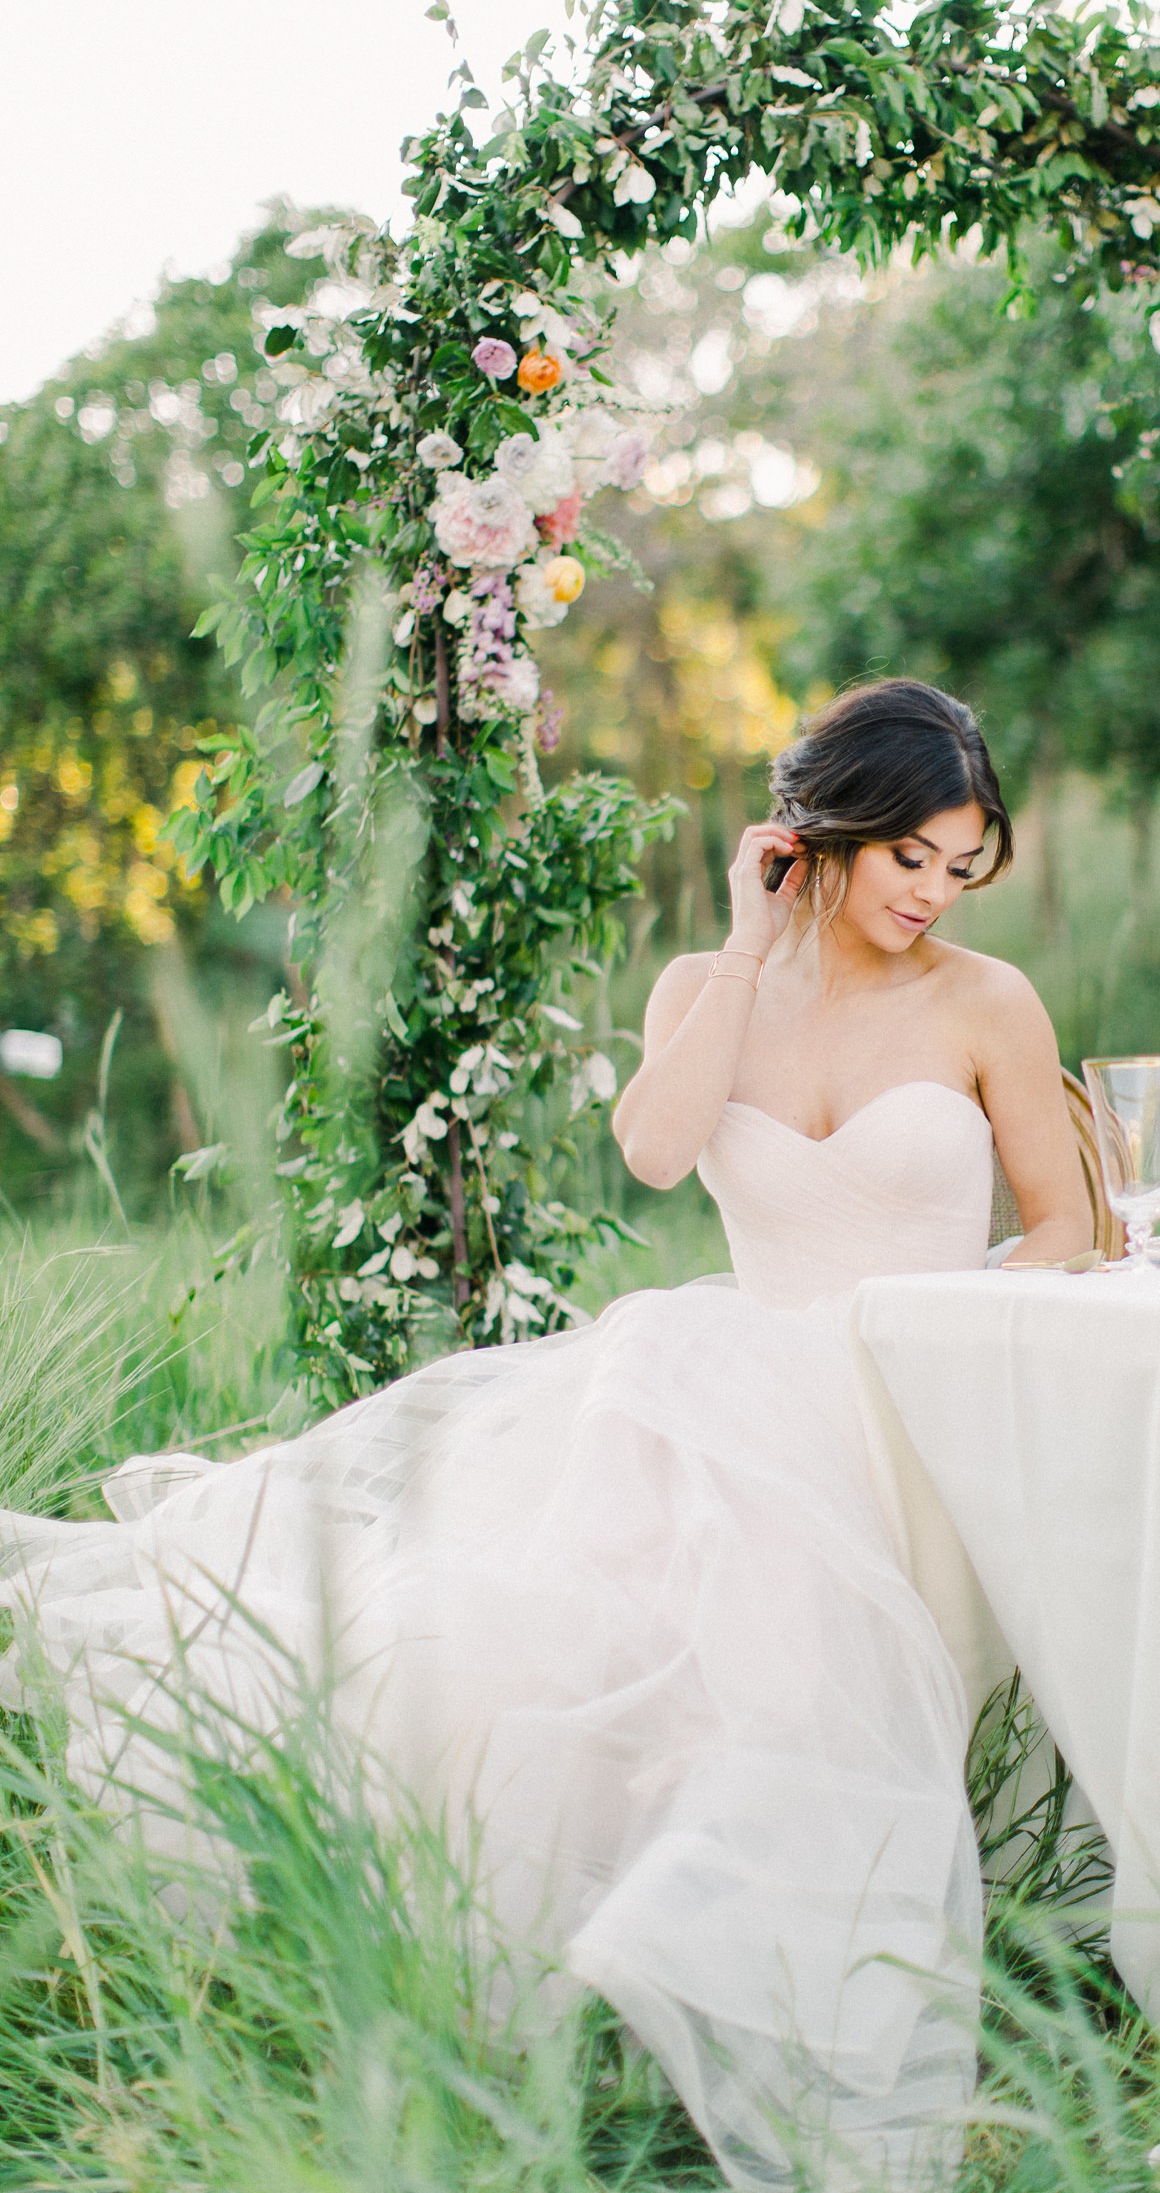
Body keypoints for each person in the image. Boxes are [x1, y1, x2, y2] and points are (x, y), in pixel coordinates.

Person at [0, 680, 1090, 2192]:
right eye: (908, 852)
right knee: (523, 1649)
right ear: (825, 830)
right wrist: (745, 943)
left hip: (915, 1404)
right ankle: (562, 2015)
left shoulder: (987, 1003)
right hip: (735, 1396)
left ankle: (780, 2011)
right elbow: (653, 1151)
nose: (930, 892)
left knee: (773, 1684)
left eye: (958, 865)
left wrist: (917, 1333)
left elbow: (1066, 1231)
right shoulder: (713, 988)